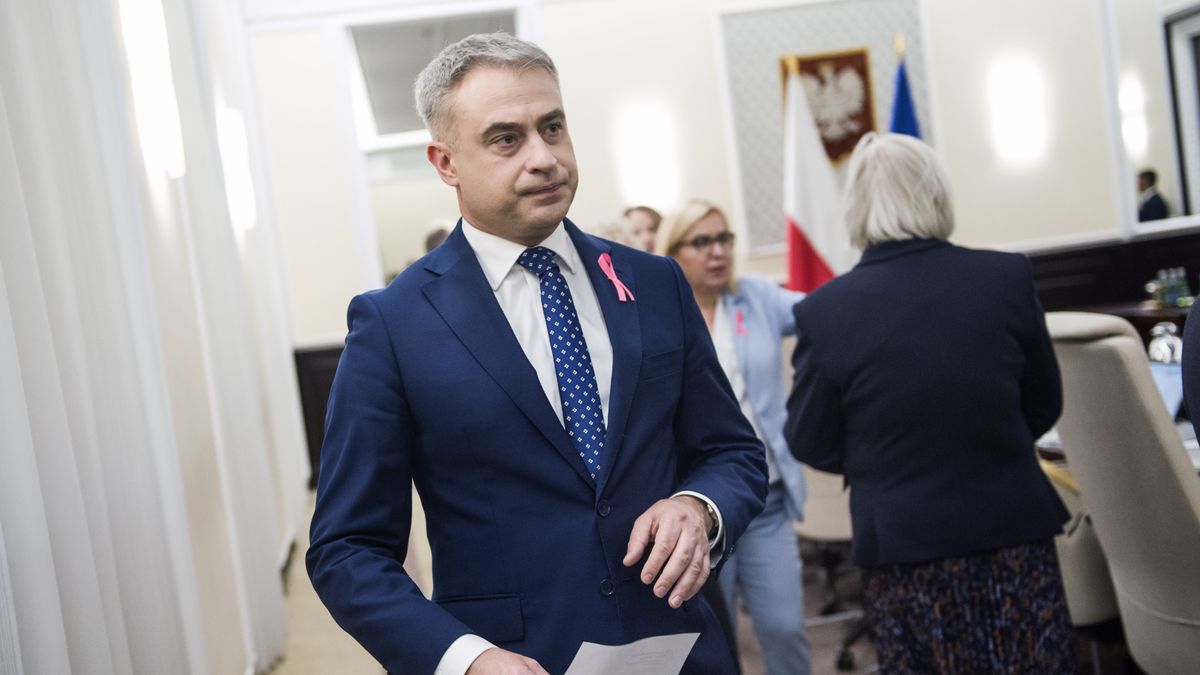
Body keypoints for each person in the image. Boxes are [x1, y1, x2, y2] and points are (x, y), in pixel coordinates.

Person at [306, 32, 768, 675]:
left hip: (681, 649)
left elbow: (732, 452)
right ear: (446, 163)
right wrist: (464, 659)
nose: (544, 157)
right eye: (506, 139)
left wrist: (700, 507)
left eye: (553, 127)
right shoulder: (394, 324)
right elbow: (348, 549)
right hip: (520, 658)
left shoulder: (655, 283)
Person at [784, 132, 1076, 673]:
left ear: (858, 208)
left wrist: (882, 460)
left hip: (902, 543)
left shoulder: (825, 311)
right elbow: (1044, 403)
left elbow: (809, 438)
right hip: (1012, 528)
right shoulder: (1006, 278)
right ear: (937, 195)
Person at [659, 200, 812, 675]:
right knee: (714, 640)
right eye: (702, 242)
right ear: (675, 250)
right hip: (693, 508)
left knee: (785, 626)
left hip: (763, 497)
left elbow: (825, 313)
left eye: (724, 239)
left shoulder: (757, 298)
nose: (717, 251)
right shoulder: (657, 312)